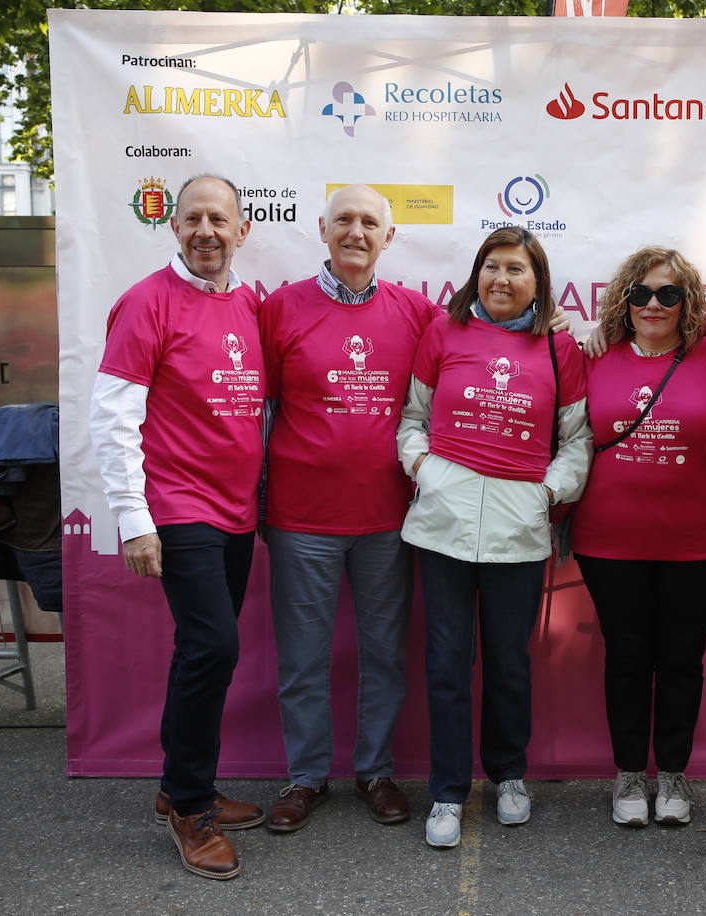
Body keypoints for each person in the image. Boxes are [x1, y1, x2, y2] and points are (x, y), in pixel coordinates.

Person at [90, 174, 264, 881]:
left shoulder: (250, 304)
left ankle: (179, 784)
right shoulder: (145, 302)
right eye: (192, 218)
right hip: (179, 506)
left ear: (242, 229)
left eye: (219, 220)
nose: (206, 231)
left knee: (203, 652)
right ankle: (190, 808)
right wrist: (135, 520)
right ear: (174, 226)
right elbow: (112, 417)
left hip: (237, 510)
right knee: (214, 648)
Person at [397, 227, 591, 849]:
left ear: (539, 281)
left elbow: (577, 439)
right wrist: (424, 469)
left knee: (509, 663)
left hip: (518, 528)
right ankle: (449, 791)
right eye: (491, 267)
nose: (501, 280)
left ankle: (509, 775)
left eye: (516, 270)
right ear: (475, 275)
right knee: (448, 665)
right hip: (443, 528)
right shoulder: (442, 334)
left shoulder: (560, 348)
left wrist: (549, 493)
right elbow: (412, 420)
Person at [258, 185, 440, 833]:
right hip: (300, 518)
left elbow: (478, 354)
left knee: (383, 654)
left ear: (389, 237)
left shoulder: (418, 312)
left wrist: (553, 326)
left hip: (389, 520)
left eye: (370, 222)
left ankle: (375, 770)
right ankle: (306, 777)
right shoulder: (279, 309)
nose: (356, 231)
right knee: (303, 657)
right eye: (344, 221)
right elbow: (260, 413)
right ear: (322, 230)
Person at [571, 247, 706, 828]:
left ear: (688, 302)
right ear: (624, 300)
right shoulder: (595, 355)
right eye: (641, 293)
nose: (654, 304)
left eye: (668, 293)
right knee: (628, 658)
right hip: (609, 539)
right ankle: (628, 776)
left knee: (683, 661)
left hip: (700, 539)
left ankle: (673, 773)